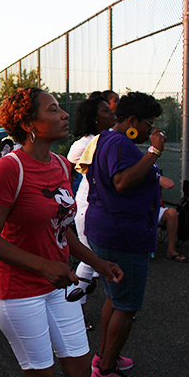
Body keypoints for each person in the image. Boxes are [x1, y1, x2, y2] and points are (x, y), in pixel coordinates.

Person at [0, 87, 123, 377]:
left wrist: (98, 263)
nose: (65, 114)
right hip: (17, 290)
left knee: (80, 371)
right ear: (29, 124)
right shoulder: (8, 168)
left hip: (57, 286)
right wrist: (44, 266)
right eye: (53, 109)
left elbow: (62, 228)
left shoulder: (60, 165)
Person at [80, 91, 164, 377]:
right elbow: (122, 182)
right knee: (126, 306)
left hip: (107, 229)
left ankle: (105, 357)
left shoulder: (105, 138)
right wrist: (153, 152)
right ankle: (105, 372)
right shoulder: (120, 143)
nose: (150, 131)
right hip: (123, 235)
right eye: (148, 124)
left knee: (114, 299)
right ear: (132, 120)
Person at [67, 95, 116, 331]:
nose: (112, 113)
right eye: (106, 110)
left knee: (106, 259)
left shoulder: (111, 138)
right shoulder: (83, 144)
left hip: (107, 207)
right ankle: (75, 313)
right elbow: (65, 174)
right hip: (89, 206)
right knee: (89, 258)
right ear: (95, 117)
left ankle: (116, 309)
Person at [159, 175, 187, 262]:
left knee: (172, 213)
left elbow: (170, 184)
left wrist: (152, 173)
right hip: (138, 209)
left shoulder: (151, 172)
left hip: (156, 209)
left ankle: (171, 250)